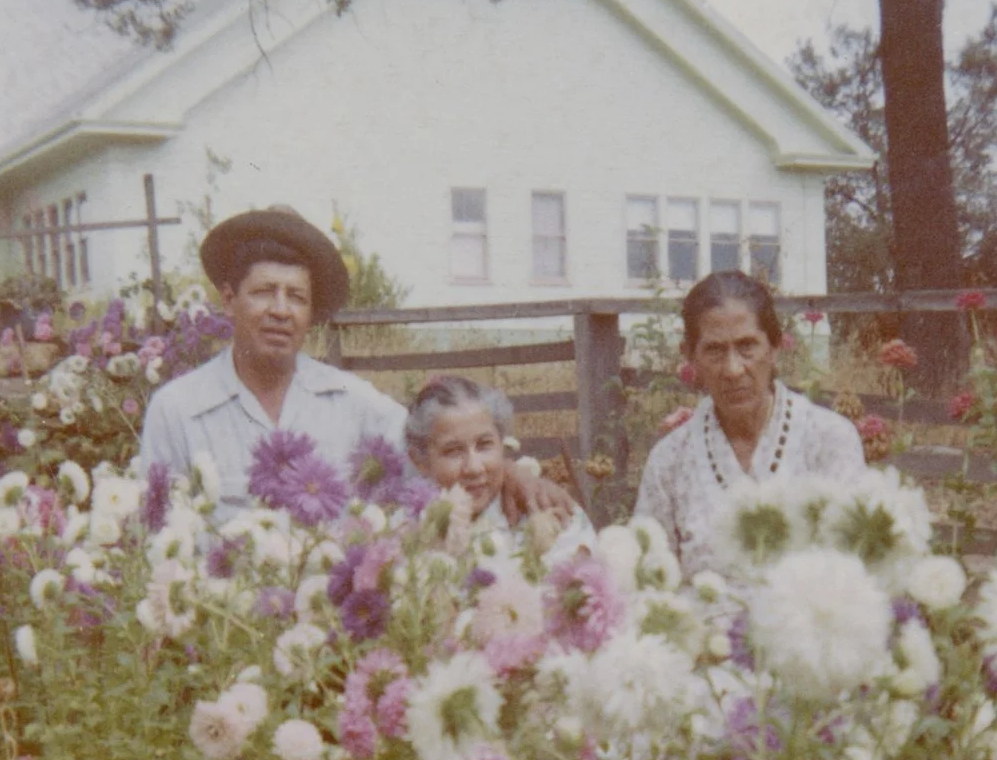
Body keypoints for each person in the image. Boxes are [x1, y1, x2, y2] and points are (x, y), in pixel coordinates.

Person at [139, 207, 573, 522]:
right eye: (264, 291)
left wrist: (512, 474)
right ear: (228, 299)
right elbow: (154, 534)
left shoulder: (352, 402)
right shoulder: (177, 411)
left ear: (311, 314)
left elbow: (435, 451)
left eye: (297, 297)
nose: (280, 310)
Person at [635, 270, 865, 577]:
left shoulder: (829, 440)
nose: (732, 369)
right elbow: (650, 583)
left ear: (774, 347)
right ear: (690, 356)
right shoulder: (670, 461)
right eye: (714, 350)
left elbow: (859, 573)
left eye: (747, 346)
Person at [406, 374, 595, 554]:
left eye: (484, 445)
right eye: (453, 451)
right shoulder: (403, 532)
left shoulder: (552, 515)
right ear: (420, 461)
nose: (474, 468)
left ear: (502, 444)